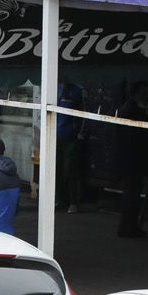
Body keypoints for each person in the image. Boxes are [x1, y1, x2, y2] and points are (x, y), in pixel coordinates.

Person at [115, 82, 148, 238]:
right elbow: (133, 140)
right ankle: (128, 227)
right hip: (132, 161)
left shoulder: (130, 110)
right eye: (145, 92)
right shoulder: (131, 111)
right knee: (131, 195)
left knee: (132, 195)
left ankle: (130, 226)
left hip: (131, 161)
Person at [57, 82, 86, 214]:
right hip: (55, 136)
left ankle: (73, 202)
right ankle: (59, 200)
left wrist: (80, 133)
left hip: (71, 137)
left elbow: (82, 114)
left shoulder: (76, 91)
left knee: (70, 170)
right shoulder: (55, 87)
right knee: (56, 170)